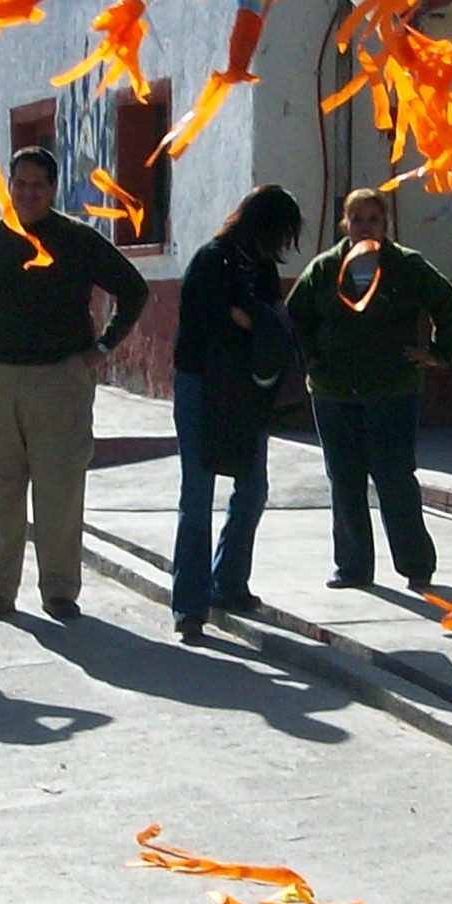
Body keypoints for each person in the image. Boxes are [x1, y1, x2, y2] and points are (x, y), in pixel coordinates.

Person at [0, 143, 149, 621]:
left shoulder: (76, 239)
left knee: (59, 489)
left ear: (53, 188)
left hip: (61, 379)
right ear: (10, 187)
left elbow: (133, 289)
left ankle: (60, 590)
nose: (29, 192)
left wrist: (101, 349)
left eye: (39, 184)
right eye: (20, 183)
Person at [288, 187, 452, 593]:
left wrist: (439, 353)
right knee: (344, 477)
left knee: (394, 476)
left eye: (373, 218)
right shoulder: (324, 268)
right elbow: (296, 317)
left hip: (392, 390)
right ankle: (352, 566)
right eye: (357, 218)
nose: (364, 225)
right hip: (333, 391)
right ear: (345, 224)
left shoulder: (406, 266)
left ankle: (416, 565)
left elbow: (448, 304)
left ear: (385, 225)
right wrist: (311, 360)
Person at [171, 183, 305, 642]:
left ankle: (229, 582)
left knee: (252, 489)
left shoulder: (262, 268)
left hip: (247, 390)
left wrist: (252, 319)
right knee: (197, 495)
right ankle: (190, 606)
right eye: (283, 233)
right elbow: (215, 324)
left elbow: (266, 322)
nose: (285, 244)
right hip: (202, 385)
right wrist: (253, 322)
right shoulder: (214, 260)